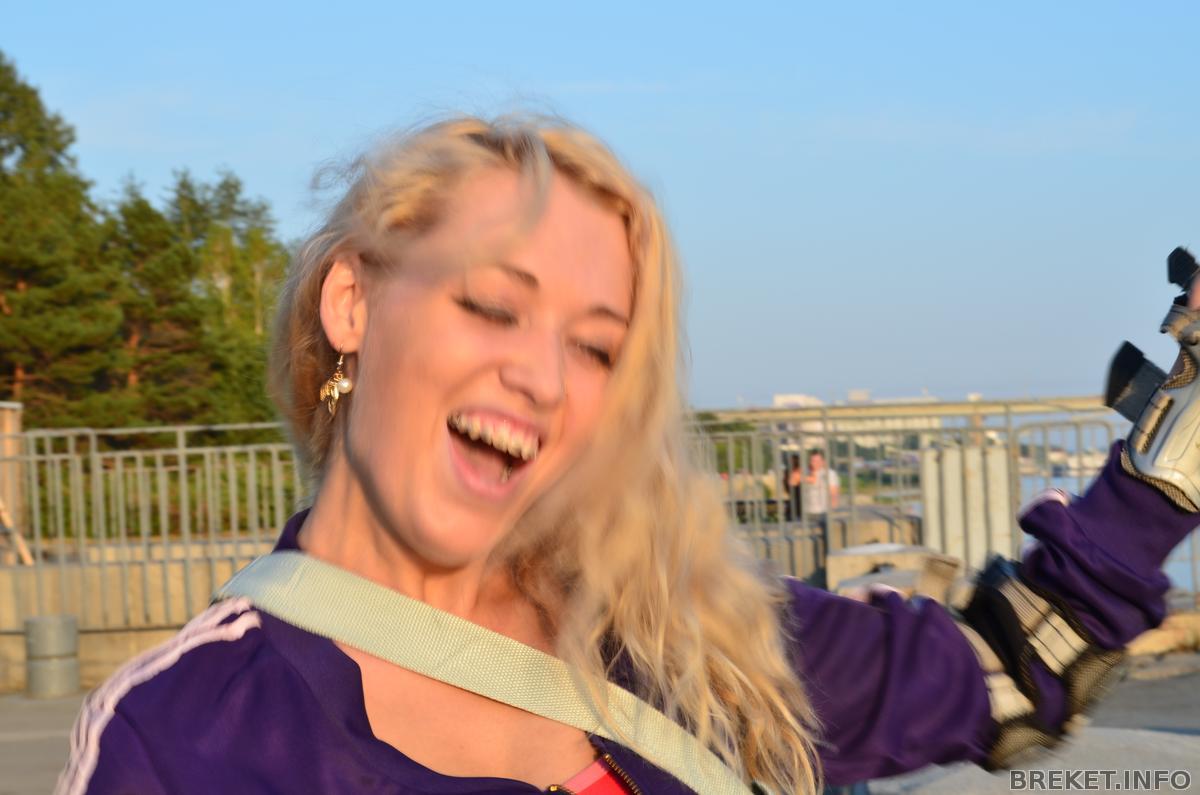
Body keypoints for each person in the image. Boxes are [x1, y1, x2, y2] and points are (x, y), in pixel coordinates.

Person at [56, 116, 1200, 795]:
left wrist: (1168, 464)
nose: (543, 377)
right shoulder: (180, 738)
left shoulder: (685, 637)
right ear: (352, 302)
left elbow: (1015, 666)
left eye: (597, 348)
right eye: (492, 305)